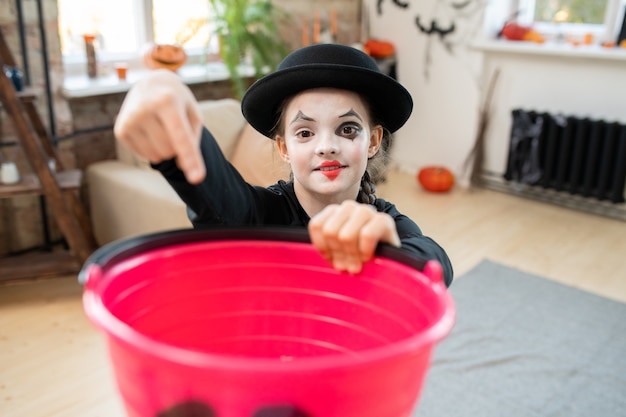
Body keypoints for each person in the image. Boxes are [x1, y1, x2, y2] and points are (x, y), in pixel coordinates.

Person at [114, 43, 453, 286]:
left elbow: (436, 262)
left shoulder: (385, 224)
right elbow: (218, 195)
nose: (326, 147)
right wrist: (162, 91)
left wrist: (391, 254)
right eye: (305, 132)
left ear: (374, 142)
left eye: (347, 129)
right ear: (284, 147)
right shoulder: (258, 214)